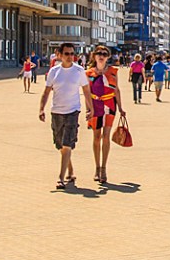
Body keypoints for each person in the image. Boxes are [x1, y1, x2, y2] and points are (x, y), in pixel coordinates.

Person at [39, 43, 93, 189]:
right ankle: (70, 170)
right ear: (60, 55)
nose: (70, 57)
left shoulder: (79, 70)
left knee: (67, 144)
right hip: (56, 111)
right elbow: (46, 91)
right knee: (61, 145)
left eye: (72, 54)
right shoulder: (54, 72)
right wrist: (41, 109)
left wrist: (90, 108)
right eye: (67, 54)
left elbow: (86, 90)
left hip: (72, 111)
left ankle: (60, 178)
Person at [86, 45, 126, 184]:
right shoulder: (89, 73)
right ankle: (97, 167)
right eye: (98, 53)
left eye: (104, 53)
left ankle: (104, 168)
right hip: (95, 107)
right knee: (96, 137)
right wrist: (88, 109)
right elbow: (87, 94)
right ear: (94, 56)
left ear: (108, 56)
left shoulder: (113, 71)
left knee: (106, 136)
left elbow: (116, 90)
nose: (101, 56)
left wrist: (121, 107)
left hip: (110, 106)